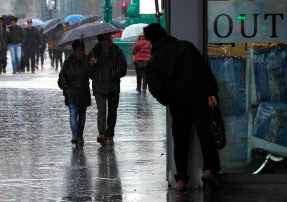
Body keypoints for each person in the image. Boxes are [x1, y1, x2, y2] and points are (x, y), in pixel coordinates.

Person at [143, 23, 221, 191]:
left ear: (151, 41)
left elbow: (155, 86)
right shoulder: (186, 46)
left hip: (177, 103)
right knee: (205, 134)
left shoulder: (155, 60)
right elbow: (204, 70)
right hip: (198, 98)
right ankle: (209, 170)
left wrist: (167, 99)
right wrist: (211, 92)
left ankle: (181, 180)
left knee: (181, 140)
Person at [87, 34, 127, 145]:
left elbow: (123, 69)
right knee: (102, 110)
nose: (109, 41)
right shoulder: (94, 52)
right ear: (101, 41)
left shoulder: (117, 51)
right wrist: (92, 64)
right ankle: (101, 133)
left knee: (112, 111)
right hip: (99, 86)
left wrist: (112, 75)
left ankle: (110, 135)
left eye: (110, 38)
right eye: (106, 39)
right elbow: (89, 72)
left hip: (113, 87)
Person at [58, 40, 91, 145]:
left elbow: (92, 74)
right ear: (75, 51)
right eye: (79, 50)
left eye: (82, 50)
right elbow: (61, 78)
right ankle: (75, 135)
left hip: (83, 92)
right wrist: (66, 89)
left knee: (82, 115)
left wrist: (93, 64)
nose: (81, 52)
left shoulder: (87, 60)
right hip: (71, 93)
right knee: (73, 114)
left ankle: (80, 135)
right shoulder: (68, 62)